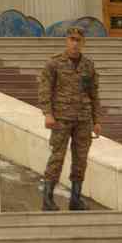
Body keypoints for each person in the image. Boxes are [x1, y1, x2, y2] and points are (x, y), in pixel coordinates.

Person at [38, 26, 102, 211]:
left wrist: (96, 120)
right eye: (71, 39)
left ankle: (75, 198)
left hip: (83, 119)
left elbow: (94, 94)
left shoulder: (88, 66)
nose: (74, 43)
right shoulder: (54, 63)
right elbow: (44, 90)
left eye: (78, 40)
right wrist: (48, 114)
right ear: (66, 41)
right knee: (57, 157)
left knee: (80, 159)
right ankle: (48, 199)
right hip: (61, 118)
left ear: (83, 43)